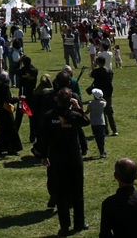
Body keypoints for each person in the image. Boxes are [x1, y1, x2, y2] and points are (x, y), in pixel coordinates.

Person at [36, 88, 90, 236]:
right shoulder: (73, 116)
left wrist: (43, 155)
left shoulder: (49, 116)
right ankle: (79, 222)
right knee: (77, 190)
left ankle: (64, 225)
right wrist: (78, 108)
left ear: (56, 99)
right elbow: (86, 121)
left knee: (61, 193)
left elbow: (43, 137)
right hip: (73, 157)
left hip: (56, 157)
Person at [88, 89, 109, 158]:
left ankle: (101, 151)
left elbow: (87, 111)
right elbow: (105, 102)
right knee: (101, 137)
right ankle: (102, 151)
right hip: (101, 122)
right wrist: (101, 98)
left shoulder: (91, 103)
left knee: (97, 137)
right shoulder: (102, 104)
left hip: (94, 122)